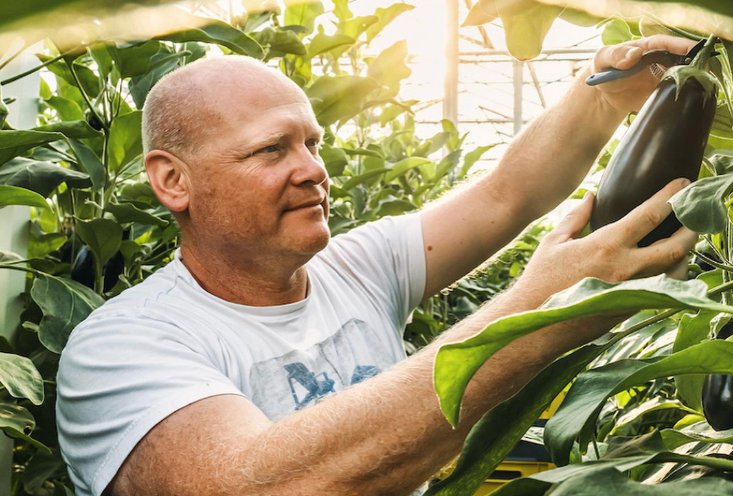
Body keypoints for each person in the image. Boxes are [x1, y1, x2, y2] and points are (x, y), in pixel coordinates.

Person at [56, 34, 699, 496]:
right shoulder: (123, 347)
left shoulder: (353, 266)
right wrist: (543, 311)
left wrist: (603, 99)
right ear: (173, 181)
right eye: (271, 149)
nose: (312, 169)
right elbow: (265, 487)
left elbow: (506, 195)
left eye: (312, 142)